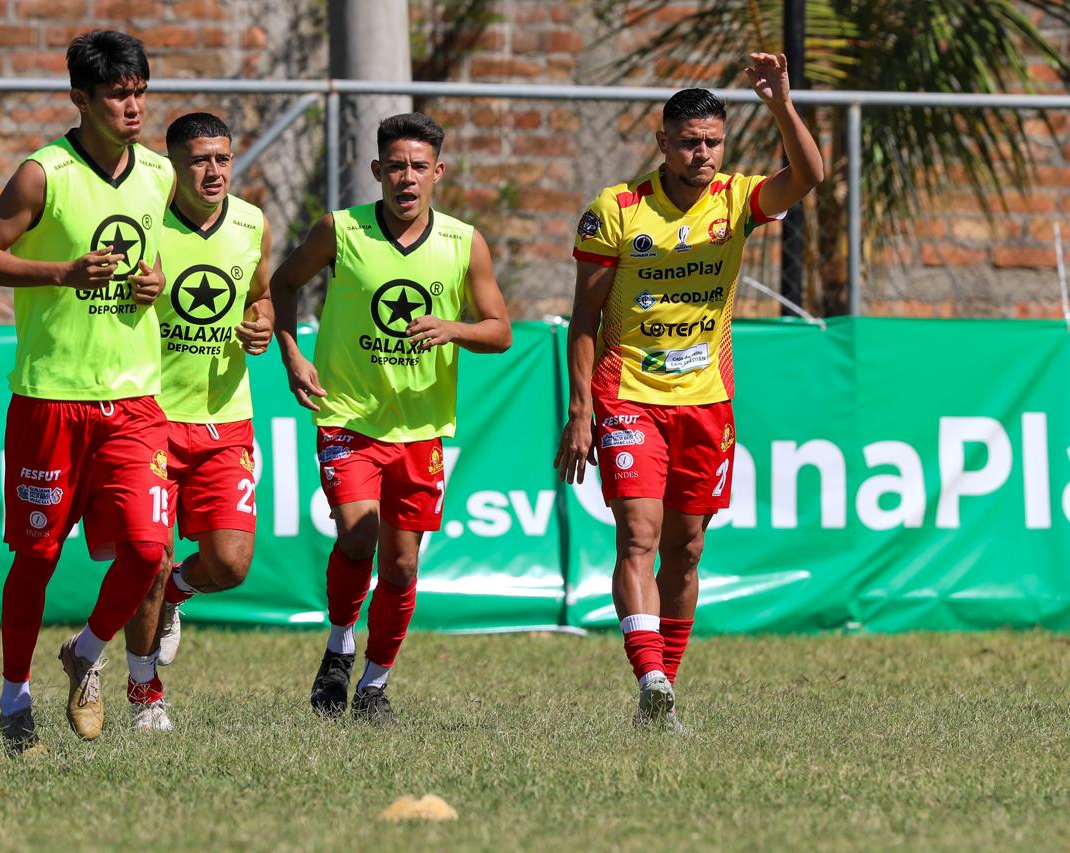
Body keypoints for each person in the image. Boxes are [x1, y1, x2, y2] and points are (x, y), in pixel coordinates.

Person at [554, 54, 824, 731]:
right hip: (629, 393)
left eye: (712, 143)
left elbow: (811, 176)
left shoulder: (736, 200)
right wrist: (581, 408)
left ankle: (662, 693)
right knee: (638, 535)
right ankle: (648, 672)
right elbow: (584, 318)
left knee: (689, 546)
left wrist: (782, 103)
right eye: (688, 142)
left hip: (707, 399)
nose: (701, 154)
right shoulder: (615, 212)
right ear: (662, 143)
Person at [0, 30, 175, 753]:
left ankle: (85, 650)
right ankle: (14, 693)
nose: (133, 104)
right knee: (40, 556)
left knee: (149, 549)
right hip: (50, 397)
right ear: (80, 98)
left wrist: (154, 285)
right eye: (118, 93)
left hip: (136, 397)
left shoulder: (159, 175)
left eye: (140, 90)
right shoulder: (41, 174)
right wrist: (59, 272)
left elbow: (155, 266)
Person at [270, 113, 511, 724]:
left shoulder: (464, 242)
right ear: (377, 171)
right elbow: (283, 281)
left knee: (402, 564)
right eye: (396, 166)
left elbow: (500, 331)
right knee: (358, 534)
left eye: (419, 167)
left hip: (421, 428)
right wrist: (293, 354)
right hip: (347, 417)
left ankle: (374, 686)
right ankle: (338, 647)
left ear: (439, 172)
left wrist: (453, 328)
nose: (407, 178)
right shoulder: (340, 231)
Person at [119, 112, 273, 732]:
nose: (214, 171)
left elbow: (259, 291)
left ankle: (180, 594)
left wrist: (261, 322)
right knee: (146, 558)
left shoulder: (250, 221)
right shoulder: (147, 218)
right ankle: (143, 690)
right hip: (150, 414)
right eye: (199, 160)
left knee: (231, 564)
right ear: (174, 164)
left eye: (223, 159)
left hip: (226, 419)